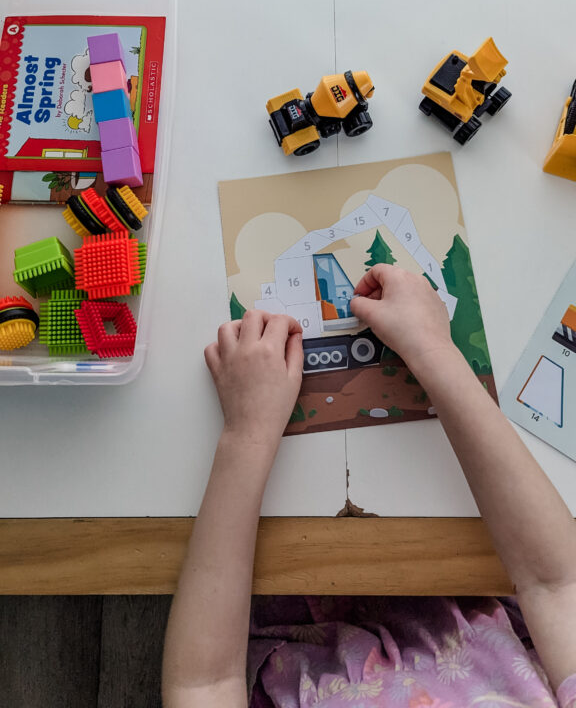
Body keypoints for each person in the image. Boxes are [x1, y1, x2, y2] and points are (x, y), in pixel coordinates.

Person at [162, 265, 576, 708]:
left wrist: (246, 434)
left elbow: (203, 686)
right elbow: (557, 583)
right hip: (479, 602)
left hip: (267, 602)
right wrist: (433, 348)